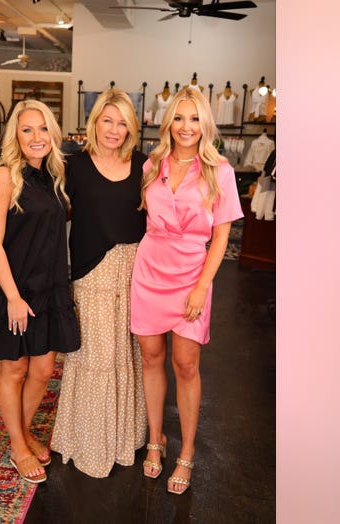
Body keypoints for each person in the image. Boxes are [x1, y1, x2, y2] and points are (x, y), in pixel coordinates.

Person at [0, 100, 81, 484]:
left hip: (49, 287)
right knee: (15, 368)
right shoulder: (4, 176)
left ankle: (24, 431)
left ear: (53, 134)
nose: (36, 137)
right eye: (27, 129)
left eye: (43, 129)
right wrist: (13, 297)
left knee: (44, 369)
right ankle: (18, 445)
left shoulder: (53, 175)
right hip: (15, 288)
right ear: (15, 134)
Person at [131, 87, 244, 494]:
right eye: (179, 118)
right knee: (150, 357)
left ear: (205, 124)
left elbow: (221, 237)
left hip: (191, 275)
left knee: (185, 364)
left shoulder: (220, 171)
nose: (186, 127)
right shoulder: (152, 164)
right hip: (149, 271)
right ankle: (155, 441)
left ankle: (187, 453)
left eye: (194, 119)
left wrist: (201, 289)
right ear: (168, 123)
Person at [51, 88, 148, 478]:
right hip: (92, 272)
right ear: (94, 123)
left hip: (134, 273)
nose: (114, 129)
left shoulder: (144, 165)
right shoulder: (73, 166)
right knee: (95, 359)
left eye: (122, 121)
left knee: (127, 355)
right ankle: (89, 440)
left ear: (132, 127)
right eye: (107, 120)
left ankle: (125, 435)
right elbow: (51, 212)